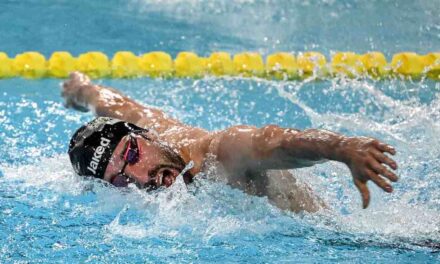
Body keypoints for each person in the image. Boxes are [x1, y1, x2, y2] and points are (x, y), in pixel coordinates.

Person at [64, 72, 398, 213]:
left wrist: (342, 148)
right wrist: (81, 90)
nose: (139, 177)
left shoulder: (219, 156)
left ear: (145, 134)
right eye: (120, 179)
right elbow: (114, 104)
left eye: (132, 154)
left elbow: (275, 142)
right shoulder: (142, 138)